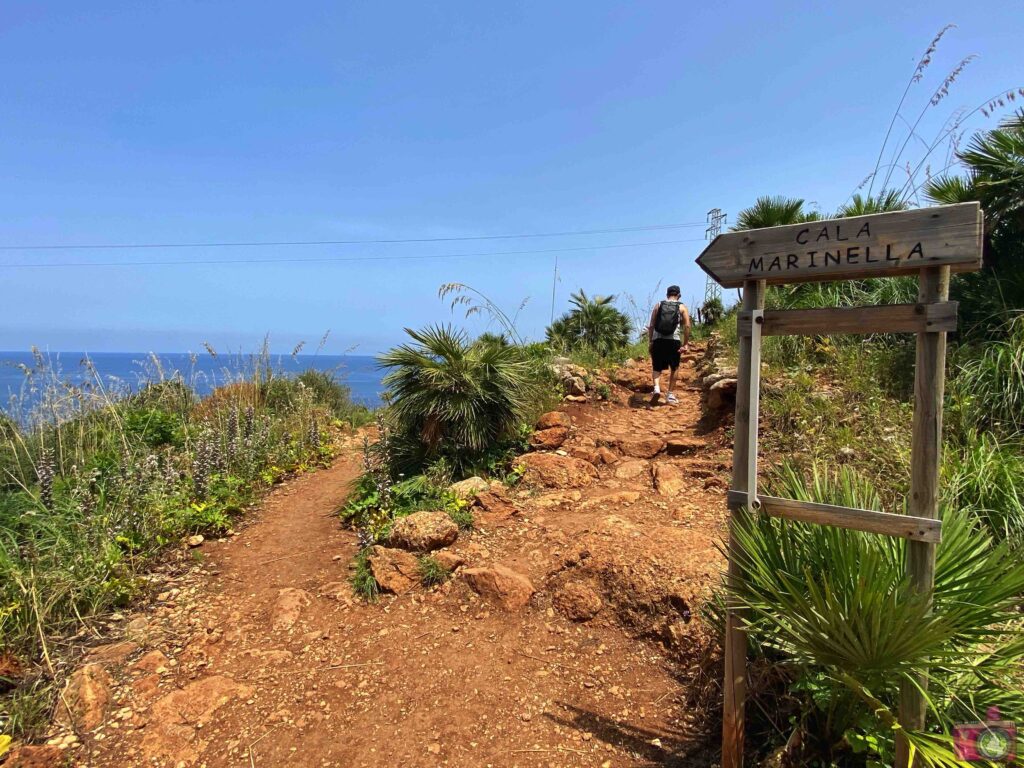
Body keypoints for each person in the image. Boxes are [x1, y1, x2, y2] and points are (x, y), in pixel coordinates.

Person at [647, 285, 691, 404]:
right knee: (674, 367)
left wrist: (651, 341)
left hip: (658, 340)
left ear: (667, 295)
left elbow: (651, 325)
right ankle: (670, 395)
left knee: (656, 366)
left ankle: (656, 388)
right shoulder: (682, 307)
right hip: (674, 340)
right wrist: (685, 344)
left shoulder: (659, 305)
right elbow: (687, 326)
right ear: (679, 295)